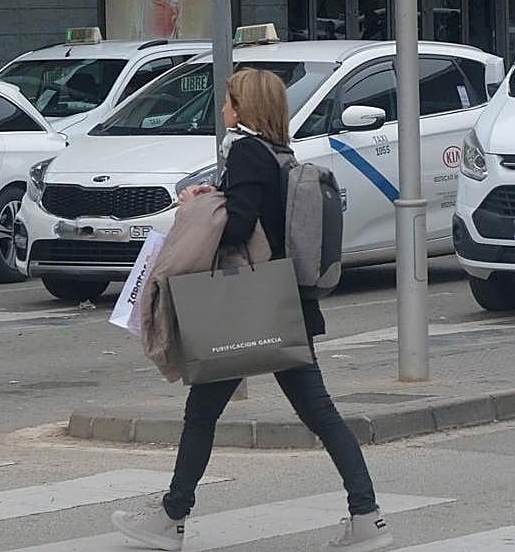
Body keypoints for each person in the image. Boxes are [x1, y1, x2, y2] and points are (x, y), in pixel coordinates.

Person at [112, 69, 391, 552]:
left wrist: (202, 201)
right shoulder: (283, 154)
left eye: (228, 101)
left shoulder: (245, 151)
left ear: (244, 109)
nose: (223, 110)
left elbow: (239, 225)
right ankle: (367, 516)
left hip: (243, 308)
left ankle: (171, 518)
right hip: (282, 305)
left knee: (202, 415)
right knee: (320, 414)